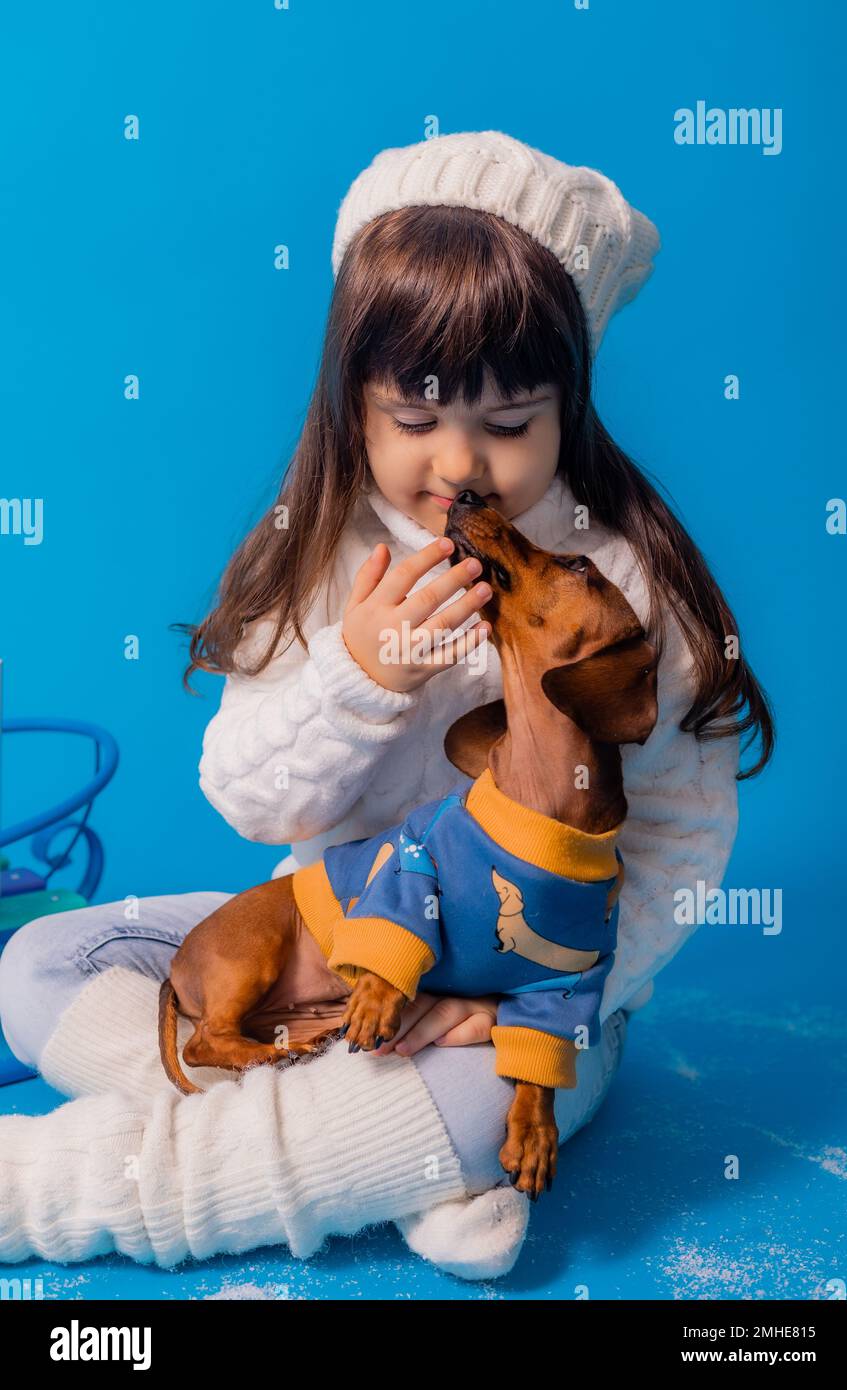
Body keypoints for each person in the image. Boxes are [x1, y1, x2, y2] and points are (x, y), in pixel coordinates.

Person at [0, 131, 772, 1280]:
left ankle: (94, 1184)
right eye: (415, 419)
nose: (459, 462)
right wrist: (361, 676)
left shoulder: (612, 587)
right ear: (349, 406)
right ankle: (362, 1138)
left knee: (488, 1101)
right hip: (325, 937)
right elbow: (250, 800)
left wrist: (527, 1000)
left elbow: (671, 831)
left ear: (572, 403)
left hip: (519, 999)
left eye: (509, 422)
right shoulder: (316, 553)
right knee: (37, 966)